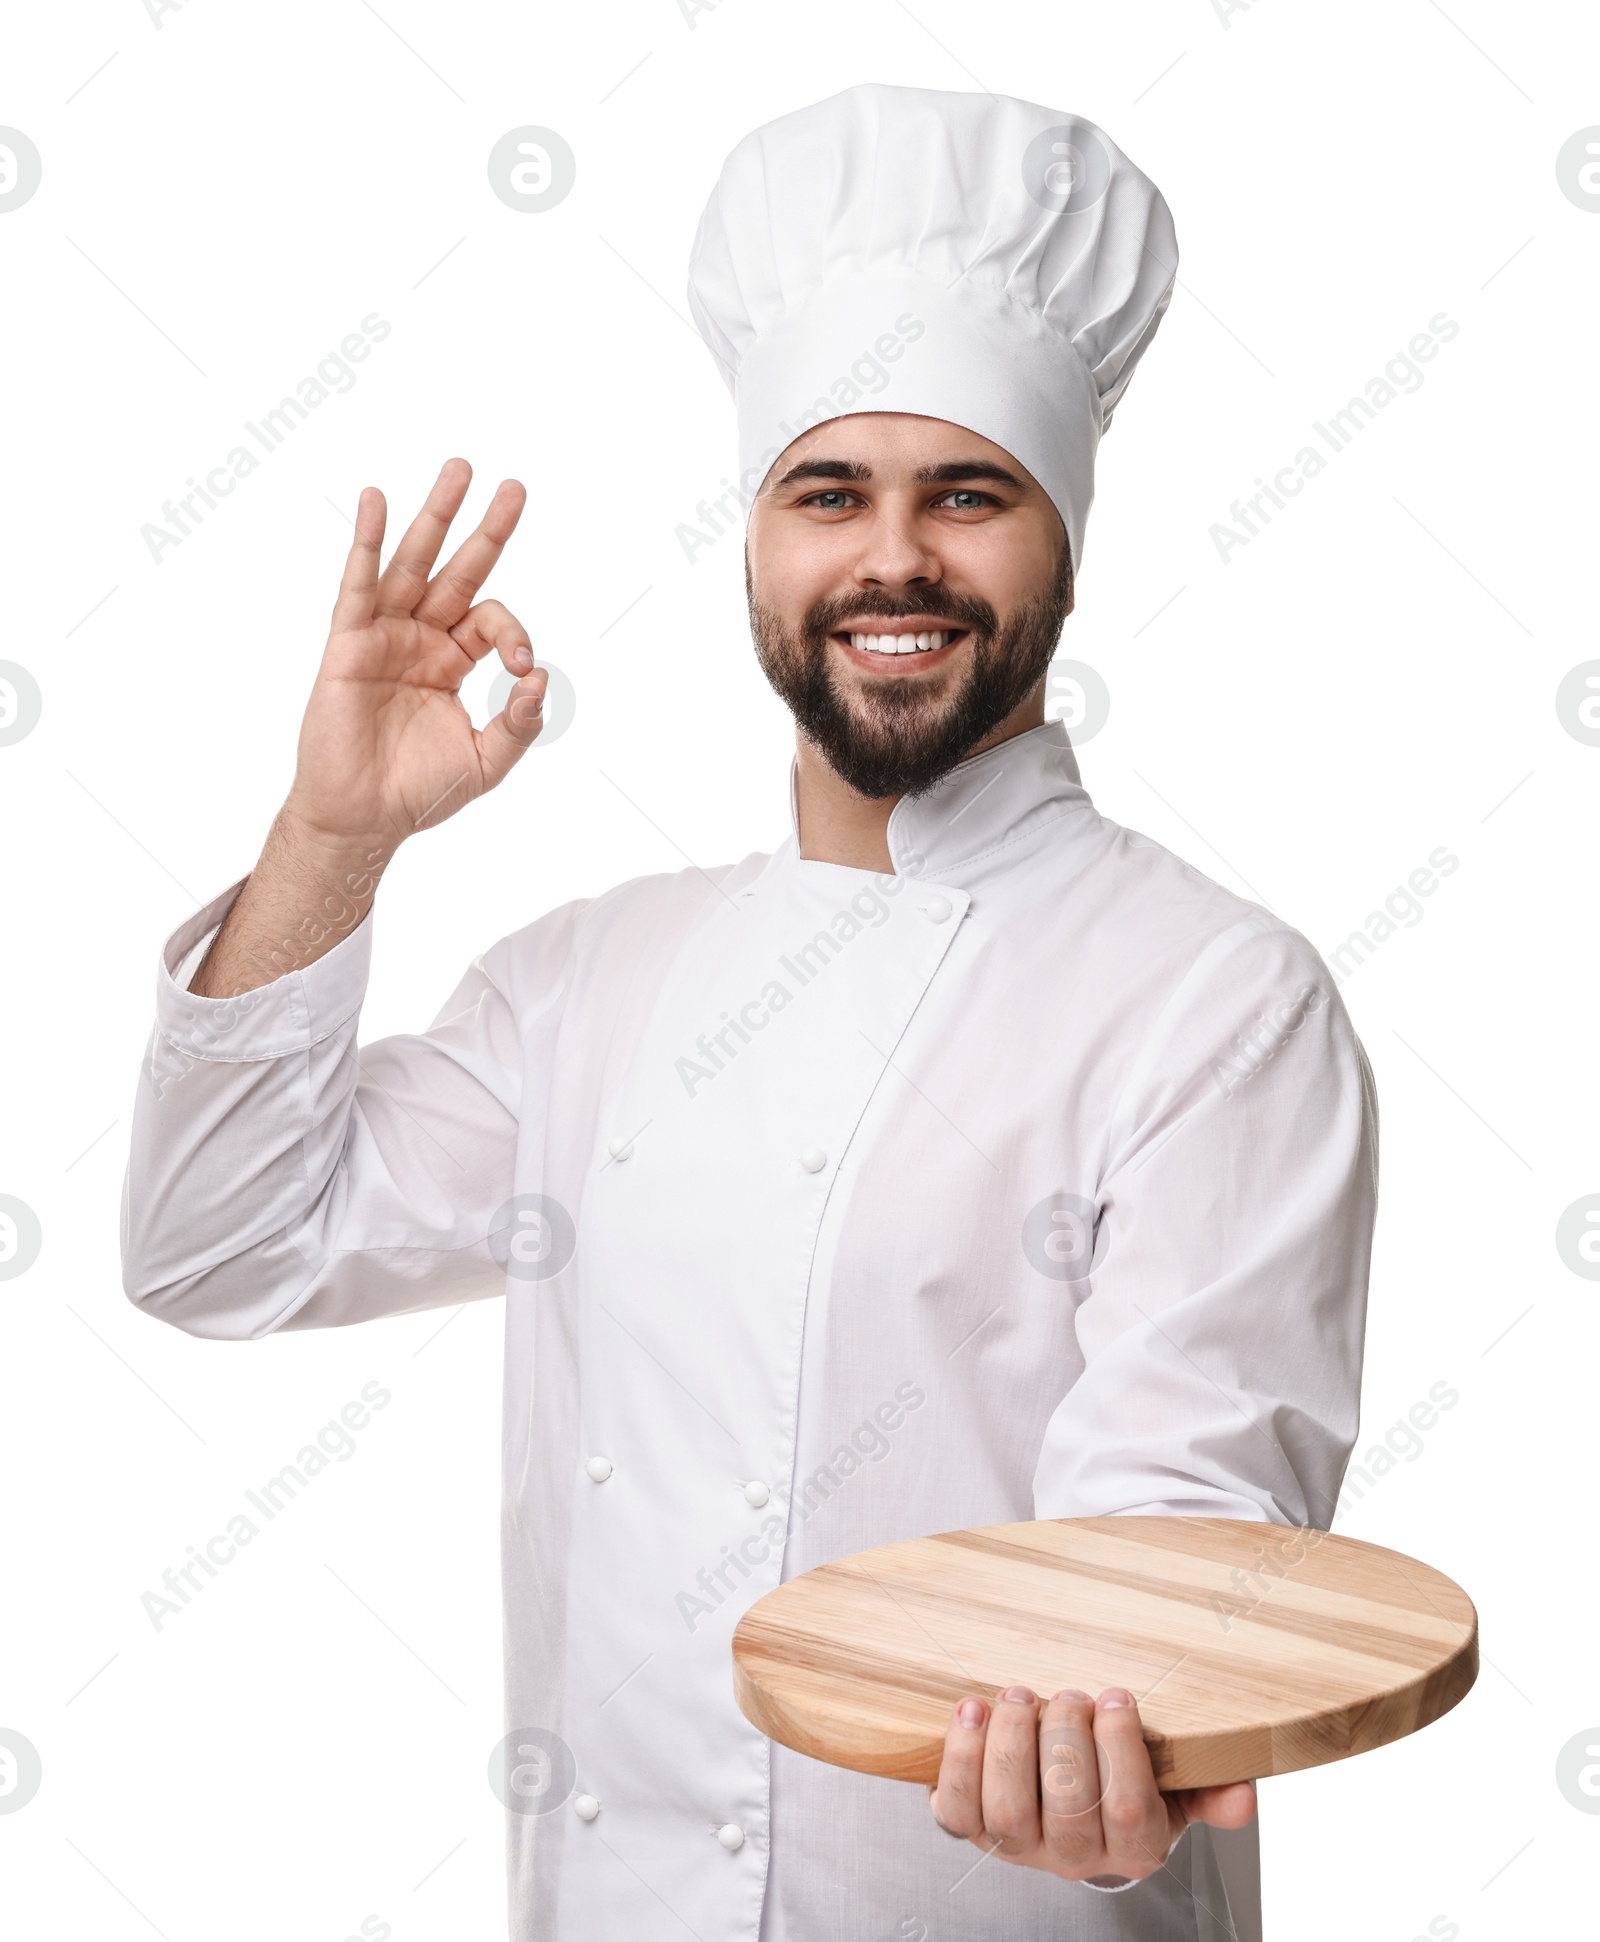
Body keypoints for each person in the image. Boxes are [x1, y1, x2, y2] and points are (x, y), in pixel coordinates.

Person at [123, 83, 1376, 1941]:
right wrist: (331, 838)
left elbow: (1170, 1548)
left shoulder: (1213, 999)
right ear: (756, 545)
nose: (894, 561)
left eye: (968, 492)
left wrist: (1125, 1772)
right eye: (827, 494)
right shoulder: (593, 979)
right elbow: (213, 1248)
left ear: (1065, 542)